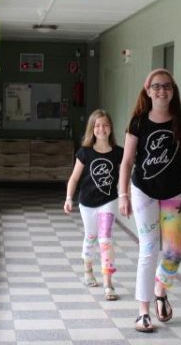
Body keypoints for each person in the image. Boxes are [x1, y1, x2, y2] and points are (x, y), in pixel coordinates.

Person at [118, 68, 181, 332]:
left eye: (167, 86)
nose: (161, 90)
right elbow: (127, 162)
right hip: (143, 192)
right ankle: (143, 312)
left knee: (174, 253)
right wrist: (123, 194)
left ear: (173, 91)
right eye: (156, 86)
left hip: (173, 194)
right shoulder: (138, 123)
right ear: (148, 91)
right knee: (149, 250)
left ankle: (160, 290)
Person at [64, 109, 124, 301]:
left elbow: (125, 177)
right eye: (97, 125)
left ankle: (108, 284)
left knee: (105, 239)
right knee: (91, 237)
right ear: (92, 128)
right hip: (87, 202)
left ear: (110, 128)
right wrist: (68, 198)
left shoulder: (119, 153)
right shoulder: (85, 152)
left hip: (109, 201)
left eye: (105, 125)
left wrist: (125, 197)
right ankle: (88, 270)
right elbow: (74, 178)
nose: (101, 129)